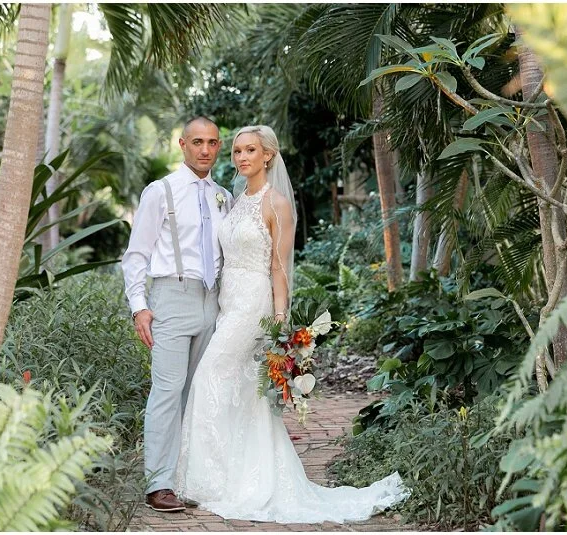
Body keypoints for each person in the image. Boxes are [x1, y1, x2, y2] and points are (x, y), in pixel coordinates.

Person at [174, 125, 409, 523]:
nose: (241, 157)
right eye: (237, 151)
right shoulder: (234, 200)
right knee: (241, 388)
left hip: (254, 305)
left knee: (208, 376)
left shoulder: (276, 203)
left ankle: (208, 480)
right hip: (227, 301)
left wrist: (280, 322)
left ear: (268, 155)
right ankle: (233, 475)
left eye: (250, 150)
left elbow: (279, 267)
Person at [121, 117, 232, 513]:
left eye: (212, 143)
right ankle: (159, 484)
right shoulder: (160, 192)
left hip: (213, 301)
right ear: (183, 144)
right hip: (172, 296)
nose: (205, 150)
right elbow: (136, 254)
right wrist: (139, 306)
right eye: (197, 142)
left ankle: (188, 477)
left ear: (219, 147)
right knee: (167, 391)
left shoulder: (223, 196)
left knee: (198, 392)